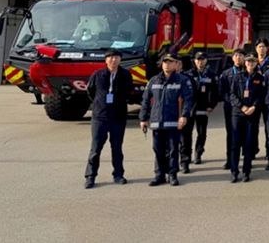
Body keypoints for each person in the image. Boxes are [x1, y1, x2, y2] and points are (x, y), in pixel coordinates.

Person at [140, 53, 194, 187]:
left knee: (172, 150)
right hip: (157, 121)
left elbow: (188, 100)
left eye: (170, 62)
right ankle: (159, 175)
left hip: (173, 121)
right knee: (157, 150)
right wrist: (143, 118)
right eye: (165, 62)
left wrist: (184, 116)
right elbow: (145, 100)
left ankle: (172, 174)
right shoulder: (154, 80)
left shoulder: (182, 80)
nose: (167, 65)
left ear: (176, 64)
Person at [84, 49, 134, 189]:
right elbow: (90, 91)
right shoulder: (98, 74)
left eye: (116, 57)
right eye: (110, 57)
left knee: (117, 147)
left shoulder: (125, 74)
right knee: (95, 148)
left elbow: (129, 91)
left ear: (120, 59)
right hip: (100, 117)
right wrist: (99, 103)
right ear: (106, 60)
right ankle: (90, 176)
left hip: (118, 116)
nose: (113, 60)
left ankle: (118, 174)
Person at [229, 54, 266, 183]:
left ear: (256, 63)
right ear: (245, 63)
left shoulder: (260, 78)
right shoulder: (237, 76)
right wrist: (242, 106)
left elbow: (261, 95)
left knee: (249, 143)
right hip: (238, 114)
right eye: (248, 61)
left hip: (252, 114)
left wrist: (254, 107)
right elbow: (232, 94)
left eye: (253, 61)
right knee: (235, 144)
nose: (250, 63)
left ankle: (246, 171)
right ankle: (234, 172)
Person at [180, 52, 219, 172]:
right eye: (198, 59)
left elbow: (215, 92)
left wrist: (211, 105)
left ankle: (198, 153)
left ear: (206, 61)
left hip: (203, 108)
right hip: (189, 109)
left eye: (202, 59)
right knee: (186, 135)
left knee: (202, 133)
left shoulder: (211, 75)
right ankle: (185, 160)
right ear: (194, 61)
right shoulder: (187, 74)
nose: (200, 62)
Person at [219, 48, 245, 170]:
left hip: (244, 109)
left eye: (241, 55)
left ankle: (247, 159)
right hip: (230, 108)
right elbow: (222, 91)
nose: (238, 57)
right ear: (232, 58)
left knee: (245, 134)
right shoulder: (226, 73)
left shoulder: (247, 72)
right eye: (236, 55)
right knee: (231, 134)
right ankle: (230, 160)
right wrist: (233, 102)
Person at [255, 38, 269, 157]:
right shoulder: (251, 61)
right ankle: (253, 149)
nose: (261, 49)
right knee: (253, 127)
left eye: (263, 46)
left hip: (268, 99)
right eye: (259, 47)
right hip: (255, 100)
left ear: (267, 48)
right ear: (256, 48)